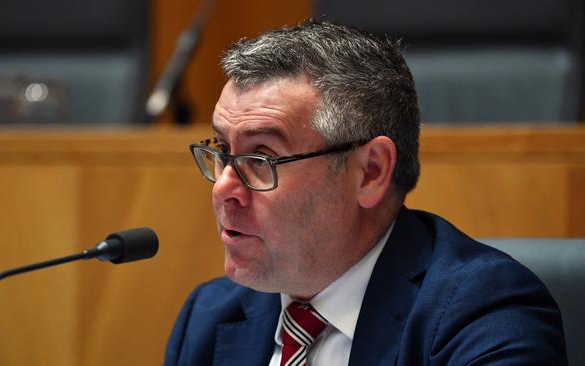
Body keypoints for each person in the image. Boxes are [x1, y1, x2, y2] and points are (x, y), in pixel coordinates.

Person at [164, 19, 567, 366]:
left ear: (371, 171)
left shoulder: (485, 315)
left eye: (262, 158)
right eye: (222, 150)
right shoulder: (211, 315)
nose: (224, 188)